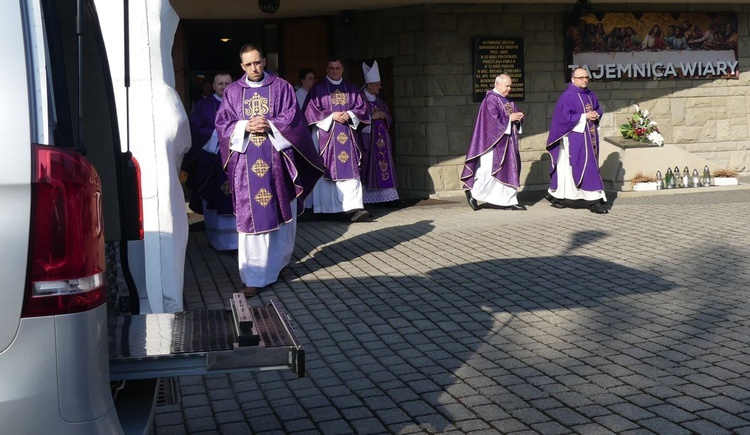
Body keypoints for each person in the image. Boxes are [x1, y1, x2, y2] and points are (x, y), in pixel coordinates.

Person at [215, 44, 325, 296]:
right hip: (246, 164)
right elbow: (222, 125)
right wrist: (244, 126)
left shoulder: (282, 87)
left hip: (277, 160)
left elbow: (293, 121)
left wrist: (270, 125)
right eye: (248, 64)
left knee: (282, 214)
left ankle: (280, 263)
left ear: (264, 61)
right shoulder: (232, 92)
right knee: (252, 218)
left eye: (257, 62)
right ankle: (253, 276)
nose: (254, 68)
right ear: (241, 66)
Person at [304, 57, 370, 222]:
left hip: (347, 136)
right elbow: (309, 111)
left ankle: (353, 207)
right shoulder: (318, 89)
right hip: (326, 137)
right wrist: (332, 115)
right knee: (327, 170)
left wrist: (351, 114)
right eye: (331, 68)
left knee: (350, 169)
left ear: (342, 69)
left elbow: (362, 108)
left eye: (337, 68)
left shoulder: (351, 88)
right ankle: (327, 208)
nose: (334, 71)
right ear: (327, 69)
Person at [184, 73, 237, 250]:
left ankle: (238, 241)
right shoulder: (204, 105)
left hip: (236, 159)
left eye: (227, 83)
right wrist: (218, 135)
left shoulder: (239, 102)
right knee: (212, 198)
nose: (223, 87)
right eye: (220, 83)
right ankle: (217, 240)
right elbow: (195, 129)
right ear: (213, 86)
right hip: (211, 160)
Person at [545, 68, 608, 214]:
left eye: (586, 77)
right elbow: (563, 119)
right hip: (575, 136)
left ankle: (556, 195)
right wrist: (584, 117)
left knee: (587, 165)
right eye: (580, 78)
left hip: (589, 135)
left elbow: (598, 109)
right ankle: (593, 200)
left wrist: (595, 115)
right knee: (582, 165)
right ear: (573, 80)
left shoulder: (590, 94)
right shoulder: (567, 96)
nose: (584, 80)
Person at [460, 74, 526, 211]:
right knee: (487, 172)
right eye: (507, 86)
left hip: (509, 142)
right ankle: (472, 192)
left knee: (510, 169)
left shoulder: (507, 100)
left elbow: (513, 114)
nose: (509, 88)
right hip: (492, 143)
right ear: (497, 84)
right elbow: (491, 122)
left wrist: (518, 117)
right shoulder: (490, 99)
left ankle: (508, 200)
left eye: (510, 86)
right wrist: (510, 119)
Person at [358, 61, 399, 204]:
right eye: (377, 84)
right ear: (369, 85)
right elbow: (356, 116)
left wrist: (382, 115)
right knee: (368, 167)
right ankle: (367, 198)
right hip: (366, 141)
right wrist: (370, 117)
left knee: (383, 166)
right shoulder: (359, 99)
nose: (379, 87)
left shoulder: (379, 100)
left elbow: (387, 115)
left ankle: (386, 197)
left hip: (381, 141)